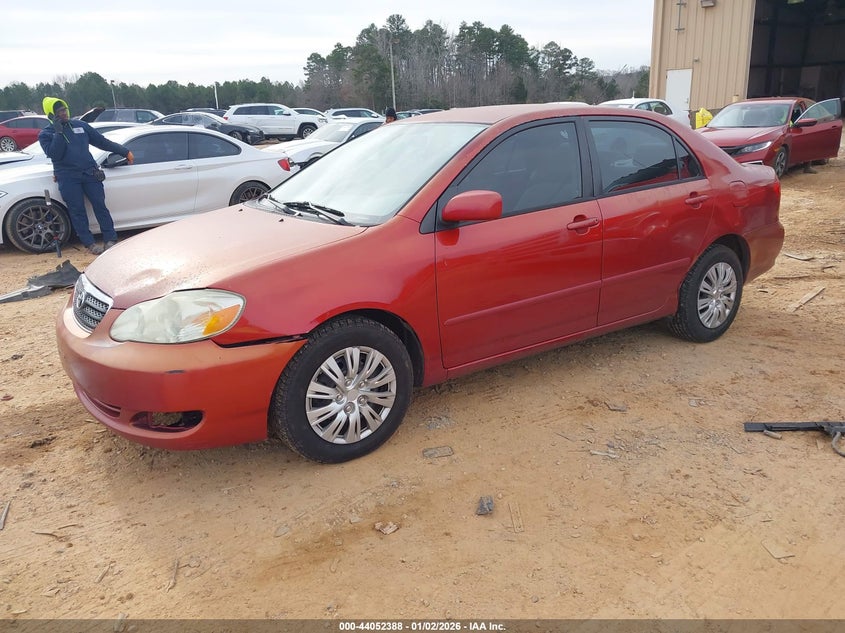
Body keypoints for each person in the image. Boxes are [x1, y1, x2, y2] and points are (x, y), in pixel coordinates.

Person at [38, 97, 134, 255]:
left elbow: (102, 142)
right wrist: (58, 132)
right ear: (51, 115)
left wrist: (124, 151)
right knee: (77, 211)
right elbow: (55, 154)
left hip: (90, 173)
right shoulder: (46, 134)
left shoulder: (80, 125)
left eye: (65, 110)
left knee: (100, 206)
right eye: (59, 112)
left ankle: (110, 238)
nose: (64, 113)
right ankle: (89, 243)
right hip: (68, 177)